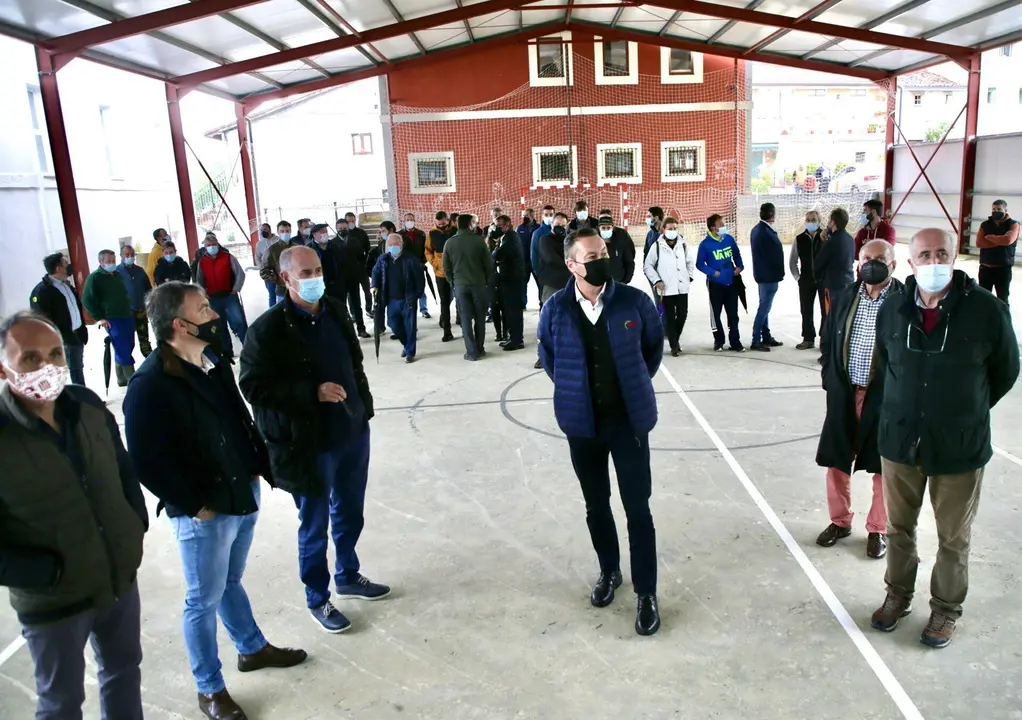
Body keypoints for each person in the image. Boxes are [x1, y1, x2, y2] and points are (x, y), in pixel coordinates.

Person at [123, 283, 307, 719]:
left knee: (228, 581)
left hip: (241, 491)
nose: (214, 314)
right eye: (203, 308)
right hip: (205, 510)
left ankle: (251, 648)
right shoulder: (150, 384)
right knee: (201, 600)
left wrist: (259, 464)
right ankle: (210, 689)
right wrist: (193, 504)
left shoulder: (213, 361)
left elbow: (239, 419)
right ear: (179, 324)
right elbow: (145, 460)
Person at [870, 228, 1019, 649]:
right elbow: (885, 367)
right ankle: (898, 594)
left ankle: (945, 609)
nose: (932, 262)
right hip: (900, 442)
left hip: (959, 445)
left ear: (954, 258)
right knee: (899, 527)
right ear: (911, 262)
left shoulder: (986, 310)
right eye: (924, 255)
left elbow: (1005, 371)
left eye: (941, 254)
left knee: (954, 536)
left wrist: (964, 411)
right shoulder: (894, 308)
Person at [0, 311, 148, 720]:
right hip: (55, 601)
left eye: (54, 354)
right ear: (3, 367)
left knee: (122, 672)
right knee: (61, 702)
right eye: (30, 358)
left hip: (117, 579)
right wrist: (44, 574)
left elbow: (122, 468)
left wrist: (134, 524)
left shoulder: (85, 405)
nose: (46, 367)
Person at [240, 245, 388, 636]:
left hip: (351, 432)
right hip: (307, 444)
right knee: (315, 522)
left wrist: (363, 409)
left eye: (318, 270)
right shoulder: (267, 330)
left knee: (350, 511)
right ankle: (317, 597)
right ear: (286, 278)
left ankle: (348, 574)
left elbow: (354, 365)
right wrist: (311, 392)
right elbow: (253, 387)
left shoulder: (336, 311)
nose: (315, 278)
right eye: (306, 273)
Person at [537, 228, 664, 637]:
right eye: (591, 255)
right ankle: (610, 571)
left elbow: (652, 350)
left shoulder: (634, 301)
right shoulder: (555, 309)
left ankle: (647, 592)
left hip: (628, 423)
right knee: (597, 506)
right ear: (571, 264)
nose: (600, 260)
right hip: (582, 425)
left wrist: (629, 387)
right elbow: (551, 358)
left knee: (638, 509)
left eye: (604, 252)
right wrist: (579, 394)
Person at [816, 240, 903, 561]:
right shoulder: (846, 296)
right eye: (867, 258)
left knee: (885, 467)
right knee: (837, 461)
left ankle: (878, 528)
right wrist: (829, 377)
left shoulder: (904, 302)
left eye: (880, 259)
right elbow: (828, 339)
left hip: (885, 399)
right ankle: (840, 522)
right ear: (857, 263)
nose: (872, 264)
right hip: (844, 392)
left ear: (893, 265)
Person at [30, 253, 88, 387]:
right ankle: (74, 401)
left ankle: (81, 398)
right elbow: (41, 319)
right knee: (62, 372)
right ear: (58, 269)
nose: (69, 267)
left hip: (77, 334)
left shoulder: (65, 285)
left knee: (77, 368)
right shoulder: (41, 292)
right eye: (65, 265)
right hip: (63, 338)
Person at [444, 213, 495, 361]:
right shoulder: (478, 242)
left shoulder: (450, 243)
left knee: (465, 319)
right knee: (480, 317)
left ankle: (471, 352)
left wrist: (453, 283)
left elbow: (446, 268)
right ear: (470, 225)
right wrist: (485, 280)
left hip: (460, 285)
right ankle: (480, 348)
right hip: (478, 284)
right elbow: (489, 265)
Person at [82, 249, 137, 386]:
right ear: (101, 262)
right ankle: (133, 379)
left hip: (126, 315)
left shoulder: (117, 275)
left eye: (113, 261)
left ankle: (121, 378)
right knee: (122, 347)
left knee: (128, 345)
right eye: (108, 261)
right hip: (112, 318)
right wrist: (98, 318)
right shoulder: (94, 277)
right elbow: (87, 300)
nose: (112, 263)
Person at [308, 223, 371, 339]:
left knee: (341, 309)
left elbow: (343, 264)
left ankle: (352, 331)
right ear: (314, 234)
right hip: (321, 287)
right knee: (326, 311)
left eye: (325, 231)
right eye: (321, 232)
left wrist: (342, 280)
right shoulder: (310, 250)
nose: (324, 234)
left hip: (339, 284)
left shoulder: (335, 246)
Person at [644, 216, 694, 357]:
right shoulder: (657, 246)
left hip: (682, 287)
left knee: (682, 315)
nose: (673, 231)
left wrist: (689, 277)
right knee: (670, 318)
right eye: (670, 229)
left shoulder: (683, 244)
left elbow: (690, 262)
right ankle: (674, 345)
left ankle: (675, 339)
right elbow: (648, 266)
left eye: (675, 229)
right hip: (666, 289)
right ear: (663, 230)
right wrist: (657, 280)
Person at [194, 232, 248, 361]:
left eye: (214, 244)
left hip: (229, 295)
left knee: (239, 322)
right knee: (219, 326)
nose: (212, 246)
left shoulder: (228, 257)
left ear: (218, 244)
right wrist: (204, 294)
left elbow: (240, 274)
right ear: (204, 247)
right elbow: (199, 280)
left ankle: (248, 347)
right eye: (209, 245)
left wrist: (236, 289)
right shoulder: (202, 262)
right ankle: (226, 352)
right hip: (213, 298)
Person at [373, 232, 425, 363]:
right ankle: (406, 344)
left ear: (401, 244)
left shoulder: (411, 259)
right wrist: (374, 285)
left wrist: (418, 294)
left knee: (410, 327)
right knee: (393, 324)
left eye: (396, 244)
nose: (394, 246)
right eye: (391, 244)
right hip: (391, 299)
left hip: (408, 298)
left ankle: (410, 352)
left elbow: (419, 277)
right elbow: (375, 272)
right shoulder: (383, 259)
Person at [696, 214, 745, 352]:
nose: (724, 226)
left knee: (733, 314)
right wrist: (712, 272)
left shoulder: (729, 239)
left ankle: (735, 341)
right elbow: (700, 264)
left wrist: (739, 267)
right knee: (716, 314)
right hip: (715, 285)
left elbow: (737, 254)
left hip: (731, 283)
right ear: (713, 228)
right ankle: (719, 341)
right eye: (721, 225)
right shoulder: (705, 245)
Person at [535, 213, 573, 368]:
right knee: (547, 322)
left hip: (569, 285)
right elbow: (550, 258)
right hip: (551, 286)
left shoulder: (570, 240)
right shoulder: (544, 240)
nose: (560, 228)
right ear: (552, 225)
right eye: (557, 225)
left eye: (563, 225)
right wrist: (569, 263)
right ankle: (543, 355)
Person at [814, 207, 855, 348]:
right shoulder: (850, 239)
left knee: (831, 317)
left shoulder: (831, 242)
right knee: (843, 317)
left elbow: (818, 263)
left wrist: (822, 242)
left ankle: (828, 349)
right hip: (849, 283)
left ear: (833, 222)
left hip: (833, 285)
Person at [749, 202, 784, 352]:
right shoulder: (765, 232)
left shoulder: (757, 229)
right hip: (768, 276)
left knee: (764, 307)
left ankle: (766, 335)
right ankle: (756, 339)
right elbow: (773, 256)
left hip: (763, 275)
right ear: (772, 216)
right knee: (764, 308)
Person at [789, 210, 826, 350]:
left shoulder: (826, 237)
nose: (811, 222)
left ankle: (825, 340)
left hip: (823, 280)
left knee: (826, 311)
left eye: (814, 219)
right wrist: (798, 277)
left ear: (819, 221)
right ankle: (808, 339)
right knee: (806, 310)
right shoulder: (799, 239)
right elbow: (793, 261)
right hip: (805, 281)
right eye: (808, 219)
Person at [492, 215, 526, 351]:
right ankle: (512, 337)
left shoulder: (511, 238)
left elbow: (497, 255)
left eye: (499, 226)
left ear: (507, 225)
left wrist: (495, 252)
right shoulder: (505, 238)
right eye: (496, 226)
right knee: (509, 310)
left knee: (513, 310)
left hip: (513, 279)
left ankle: (517, 340)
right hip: (507, 278)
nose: (497, 229)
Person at [975, 199, 1019, 304]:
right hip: (985, 268)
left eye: (999, 209)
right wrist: (1000, 240)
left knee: (1002, 299)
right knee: (983, 299)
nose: (996, 211)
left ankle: (1004, 320)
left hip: (1003, 269)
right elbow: (979, 243)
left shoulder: (1013, 225)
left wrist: (990, 237)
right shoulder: (985, 225)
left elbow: (1008, 240)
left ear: (1005, 210)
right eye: (994, 209)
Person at [117, 244, 153, 358]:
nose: (130, 257)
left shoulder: (140, 270)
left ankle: (150, 363)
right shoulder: (117, 272)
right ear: (121, 256)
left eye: (132, 254)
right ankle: (128, 368)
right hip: (126, 313)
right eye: (127, 254)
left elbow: (148, 289)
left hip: (141, 310)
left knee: (145, 340)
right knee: (127, 341)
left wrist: (148, 303)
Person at [426, 211, 457, 342]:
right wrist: (435, 263)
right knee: (444, 302)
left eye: (443, 224)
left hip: (457, 272)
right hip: (440, 273)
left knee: (461, 300)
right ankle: (447, 331)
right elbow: (428, 251)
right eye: (439, 224)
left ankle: (464, 326)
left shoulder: (456, 230)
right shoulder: (432, 233)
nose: (441, 226)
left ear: (448, 220)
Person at [342, 212, 374, 319]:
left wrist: (365, 260)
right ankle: (354, 314)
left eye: (352, 221)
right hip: (350, 270)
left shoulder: (361, 233)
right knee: (351, 294)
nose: (351, 223)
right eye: (348, 221)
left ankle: (369, 309)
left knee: (367, 291)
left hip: (362, 267)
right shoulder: (343, 235)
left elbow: (368, 248)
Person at [400, 213, 431, 319]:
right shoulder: (399, 234)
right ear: (403, 221)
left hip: (419, 265)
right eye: (407, 219)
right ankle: (407, 308)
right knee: (406, 288)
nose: (410, 221)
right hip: (404, 267)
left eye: (411, 219)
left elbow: (426, 250)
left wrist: (423, 262)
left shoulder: (421, 234)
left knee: (421, 287)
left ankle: (424, 309)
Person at [261, 220, 295, 303]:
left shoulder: (297, 247)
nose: (285, 233)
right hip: (282, 291)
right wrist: (277, 279)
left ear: (290, 231)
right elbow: (263, 271)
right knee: (283, 313)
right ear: (278, 232)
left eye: (287, 231)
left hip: (298, 289)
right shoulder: (272, 250)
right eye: (282, 231)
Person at [530, 205, 556, 309]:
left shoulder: (560, 231)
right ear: (542, 216)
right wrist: (538, 272)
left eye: (551, 215)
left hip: (558, 273)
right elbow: (534, 254)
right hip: (543, 273)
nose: (548, 217)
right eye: (546, 215)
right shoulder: (537, 233)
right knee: (544, 300)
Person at [598, 212, 636, 284]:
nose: (606, 230)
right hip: (600, 285)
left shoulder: (621, 238)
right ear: (599, 228)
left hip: (618, 283)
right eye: (603, 228)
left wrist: (626, 281)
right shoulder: (594, 240)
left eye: (608, 228)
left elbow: (629, 261)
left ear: (612, 227)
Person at [254, 222, 280, 306]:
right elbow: (257, 257)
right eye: (261, 230)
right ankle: (272, 313)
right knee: (272, 295)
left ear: (270, 229)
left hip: (279, 272)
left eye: (265, 229)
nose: (263, 231)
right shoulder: (259, 244)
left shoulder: (278, 240)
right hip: (267, 273)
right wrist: (262, 267)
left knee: (282, 294)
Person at [517, 208, 538, 306]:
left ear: (533, 216)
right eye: (524, 215)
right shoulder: (520, 228)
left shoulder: (539, 228)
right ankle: (522, 303)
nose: (525, 217)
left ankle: (542, 301)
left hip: (536, 260)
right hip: (524, 261)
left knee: (540, 283)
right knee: (522, 283)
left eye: (527, 215)